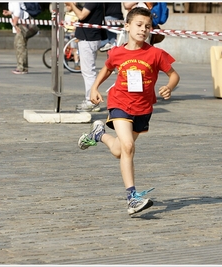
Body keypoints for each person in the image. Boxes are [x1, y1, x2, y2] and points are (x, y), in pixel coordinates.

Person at [77, 7, 180, 215]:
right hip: (119, 103)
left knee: (119, 150)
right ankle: (132, 198)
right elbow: (106, 68)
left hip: (143, 108)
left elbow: (174, 75)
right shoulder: (117, 52)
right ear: (127, 26)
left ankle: (99, 134)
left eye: (147, 26)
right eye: (139, 25)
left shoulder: (156, 54)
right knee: (128, 146)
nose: (143, 30)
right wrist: (95, 88)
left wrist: (169, 87)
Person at [66, 2, 106, 112]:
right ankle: (91, 99)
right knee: (88, 71)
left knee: (88, 71)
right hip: (89, 37)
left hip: (89, 38)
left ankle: (91, 100)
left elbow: (81, 15)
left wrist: (72, 5)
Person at [3, 2, 40, 75]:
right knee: (21, 45)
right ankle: (23, 67)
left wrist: (14, 23)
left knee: (19, 45)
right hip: (22, 21)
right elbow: (18, 9)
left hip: (21, 23)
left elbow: (18, 11)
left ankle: (21, 68)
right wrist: (9, 12)